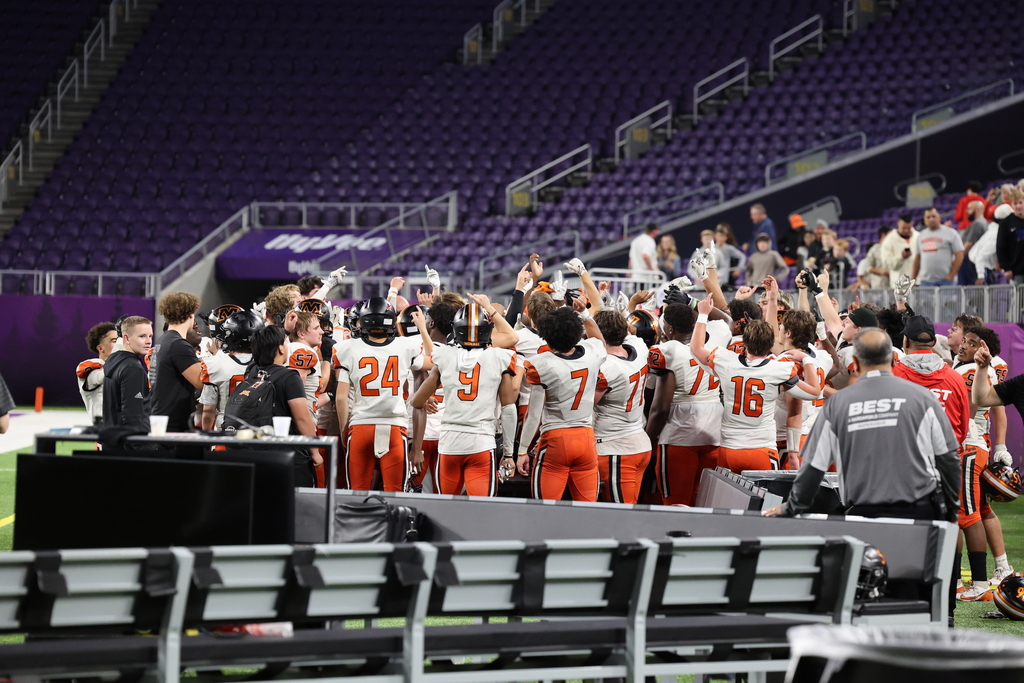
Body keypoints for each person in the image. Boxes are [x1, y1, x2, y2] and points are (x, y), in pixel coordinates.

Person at [690, 292, 821, 473]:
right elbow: (814, 392)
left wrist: (703, 314)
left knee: (724, 500)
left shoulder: (725, 360)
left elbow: (696, 348)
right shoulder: (779, 369)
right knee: (765, 500)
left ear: (744, 342)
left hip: (730, 448)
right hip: (762, 449)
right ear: (770, 345)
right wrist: (806, 360)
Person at [411, 298, 521, 497]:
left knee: (446, 511)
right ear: (488, 330)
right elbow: (509, 409)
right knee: (481, 510)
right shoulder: (501, 357)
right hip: (481, 442)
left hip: (449, 443)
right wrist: (508, 454)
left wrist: (426, 400)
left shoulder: (444, 355)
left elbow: (416, 401)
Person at [335, 297, 433, 492]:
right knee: (395, 493)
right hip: (394, 428)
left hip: (361, 425)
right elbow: (432, 360)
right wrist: (423, 329)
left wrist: (344, 430)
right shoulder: (405, 346)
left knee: (357, 493)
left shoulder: (345, 349)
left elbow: (340, 397)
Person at [517, 305, 607, 502]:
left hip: (556, 438)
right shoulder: (593, 352)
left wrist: (522, 450)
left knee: (546, 511)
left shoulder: (542, 363)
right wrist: (584, 313)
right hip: (586, 438)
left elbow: (534, 414)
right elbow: (599, 341)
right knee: (587, 511)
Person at [246, 325, 321, 487]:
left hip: (256, 448)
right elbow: (302, 418)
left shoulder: (251, 371)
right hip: (287, 451)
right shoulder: (289, 376)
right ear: (280, 349)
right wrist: (315, 451)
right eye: (286, 343)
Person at [591, 309, 650, 504]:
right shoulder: (639, 346)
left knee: (619, 518)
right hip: (639, 442)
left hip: (616, 447)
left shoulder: (606, 367)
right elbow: (632, 333)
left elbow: (587, 402)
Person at [150, 292, 204, 432]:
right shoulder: (178, 344)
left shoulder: (164, 340)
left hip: (161, 417)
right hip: (173, 421)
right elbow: (200, 381)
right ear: (191, 314)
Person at [101, 316, 154, 435]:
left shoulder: (115, 362)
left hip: (113, 441)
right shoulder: (132, 368)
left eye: (150, 336)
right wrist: (143, 447)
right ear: (126, 338)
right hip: (129, 445)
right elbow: (133, 416)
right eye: (142, 336)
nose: (148, 341)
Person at [911, 207, 965, 287]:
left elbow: (959, 254)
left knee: (948, 300)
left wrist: (952, 275)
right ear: (924, 220)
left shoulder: (951, 233)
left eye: (934, 216)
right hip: (926, 281)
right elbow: (917, 259)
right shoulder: (921, 236)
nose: (931, 219)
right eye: (928, 217)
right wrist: (913, 279)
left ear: (939, 217)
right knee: (926, 300)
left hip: (946, 280)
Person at [78, 322, 118, 425]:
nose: (120, 344)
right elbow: (103, 376)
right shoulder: (95, 367)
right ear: (100, 348)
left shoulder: (128, 367)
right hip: (105, 436)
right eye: (114, 341)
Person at [995, 185, 1024, 283]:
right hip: (1017, 270)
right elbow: (1001, 247)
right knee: (1018, 298)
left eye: (1021, 203)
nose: (1018, 206)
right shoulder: (1006, 223)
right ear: (1011, 205)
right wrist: (1006, 268)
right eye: (1015, 203)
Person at [880, 213, 918, 286]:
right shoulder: (889, 240)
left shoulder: (918, 237)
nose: (906, 230)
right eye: (904, 228)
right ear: (898, 224)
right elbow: (886, 264)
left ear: (912, 224)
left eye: (909, 228)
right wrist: (901, 257)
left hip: (918, 282)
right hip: (899, 284)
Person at [959, 200, 988, 285]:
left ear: (978, 209)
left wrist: (958, 259)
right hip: (975, 262)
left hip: (970, 263)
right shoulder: (984, 222)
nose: (966, 211)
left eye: (969, 209)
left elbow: (969, 244)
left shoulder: (977, 224)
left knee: (969, 290)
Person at [855, 225, 892, 290]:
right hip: (878, 286)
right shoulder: (874, 249)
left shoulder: (894, 249)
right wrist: (881, 271)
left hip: (893, 285)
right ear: (883, 235)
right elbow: (867, 267)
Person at [714, 223, 746, 287]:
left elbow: (742, 256)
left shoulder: (729, 248)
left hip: (725, 279)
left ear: (726, 238)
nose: (720, 239)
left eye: (722, 236)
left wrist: (738, 268)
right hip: (713, 278)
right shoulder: (711, 249)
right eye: (719, 236)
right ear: (715, 237)